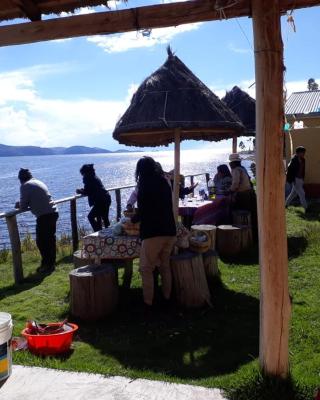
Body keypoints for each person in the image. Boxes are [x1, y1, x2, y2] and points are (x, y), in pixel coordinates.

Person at [131, 157, 176, 309]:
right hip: (169, 230)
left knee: (146, 268)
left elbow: (143, 210)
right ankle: (167, 297)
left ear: (140, 170)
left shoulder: (144, 184)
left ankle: (148, 302)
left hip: (153, 232)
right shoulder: (164, 181)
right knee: (164, 265)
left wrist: (132, 219)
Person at [15, 168, 59, 274]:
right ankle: (51, 264)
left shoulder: (25, 186)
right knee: (50, 240)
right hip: (53, 212)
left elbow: (23, 206)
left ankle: (46, 265)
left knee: (42, 242)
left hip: (44, 216)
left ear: (21, 179)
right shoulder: (38, 182)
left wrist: (19, 204)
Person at [229, 153, 258, 236]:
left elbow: (235, 184)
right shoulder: (242, 168)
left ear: (233, 163)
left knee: (242, 212)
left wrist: (230, 190)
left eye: (230, 163)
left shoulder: (236, 170)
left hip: (243, 194)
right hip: (249, 192)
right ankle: (253, 232)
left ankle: (243, 232)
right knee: (250, 212)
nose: (230, 164)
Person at [76, 164, 111, 232]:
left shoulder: (88, 178)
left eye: (82, 174)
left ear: (85, 172)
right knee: (105, 218)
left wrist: (79, 191)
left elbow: (87, 191)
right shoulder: (94, 176)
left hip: (101, 201)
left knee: (90, 217)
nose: (82, 175)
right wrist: (83, 190)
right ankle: (108, 236)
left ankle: (98, 232)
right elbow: (91, 189)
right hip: (106, 198)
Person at [285, 146, 308, 210]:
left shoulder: (303, 160)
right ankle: (306, 208)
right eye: (303, 152)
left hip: (300, 179)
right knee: (302, 193)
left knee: (293, 194)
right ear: (298, 153)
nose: (304, 153)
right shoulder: (294, 160)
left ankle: (286, 204)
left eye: (304, 152)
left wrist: (303, 178)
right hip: (296, 179)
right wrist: (292, 180)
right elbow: (289, 169)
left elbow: (303, 170)